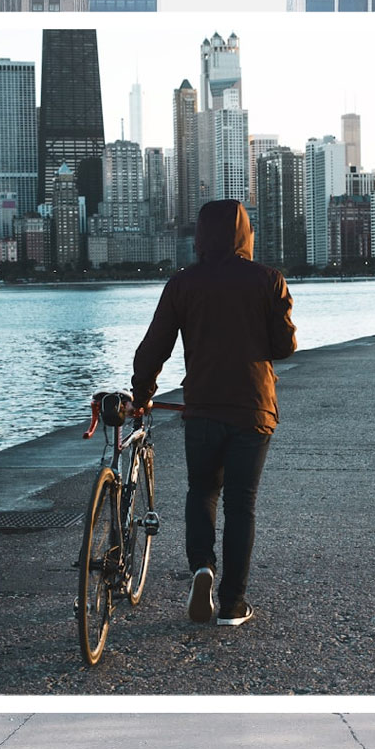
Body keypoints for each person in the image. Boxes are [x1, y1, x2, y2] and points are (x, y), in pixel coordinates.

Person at [131, 199, 297, 627]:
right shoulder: (268, 280)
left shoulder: (182, 284)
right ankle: (232, 604)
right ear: (246, 234)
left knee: (201, 492)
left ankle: (202, 567)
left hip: (202, 408)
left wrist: (142, 393)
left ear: (201, 236)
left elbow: (154, 349)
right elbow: (285, 347)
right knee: (242, 504)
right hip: (253, 409)